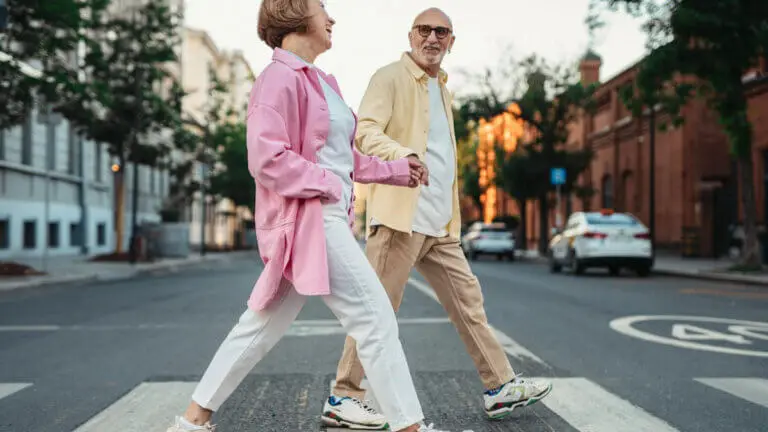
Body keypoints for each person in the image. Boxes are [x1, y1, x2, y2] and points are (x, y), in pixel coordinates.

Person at [165, 1, 467, 431]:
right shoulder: (277, 79)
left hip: (321, 220)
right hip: (312, 218)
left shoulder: (322, 82)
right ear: (294, 16)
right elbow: (266, 158)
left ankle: (192, 422)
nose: (331, 18)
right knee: (375, 318)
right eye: (321, 8)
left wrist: (398, 170)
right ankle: (411, 427)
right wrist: (327, 184)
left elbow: (347, 160)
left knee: (260, 326)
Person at [321, 7, 553, 429]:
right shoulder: (389, 77)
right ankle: (343, 396)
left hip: (440, 225)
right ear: (411, 35)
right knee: (377, 311)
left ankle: (499, 386)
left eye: (441, 32)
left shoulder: (442, 89)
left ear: (451, 41)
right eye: (424, 30)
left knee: (469, 305)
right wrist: (401, 154)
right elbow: (365, 131)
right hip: (399, 220)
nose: (432, 38)